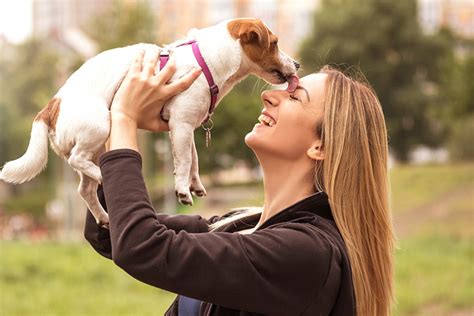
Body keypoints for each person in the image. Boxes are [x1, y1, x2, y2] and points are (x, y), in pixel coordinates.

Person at [84, 49, 395, 316]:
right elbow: (109, 230)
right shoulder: (243, 223)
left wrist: (124, 117)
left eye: (294, 96)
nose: (268, 93)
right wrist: (108, 130)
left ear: (321, 147)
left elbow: (142, 246)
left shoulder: (307, 253)